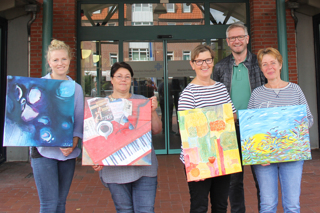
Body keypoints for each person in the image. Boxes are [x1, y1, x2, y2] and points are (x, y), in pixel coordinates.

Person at [248, 47, 313, 212]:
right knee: (267, 205)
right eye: (265, 64)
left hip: (292, 154)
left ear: (280, 65)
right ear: (261, 69)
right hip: (265, 158)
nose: (269, 67)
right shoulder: (256, 94)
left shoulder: (295, 90)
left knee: (292, 205)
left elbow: (309, 119)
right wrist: (258, 154)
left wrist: (293, 130)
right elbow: (251, 127)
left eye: (273, 63)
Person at [92, 62, 162, 213]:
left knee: (146, 210)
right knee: (124, 210)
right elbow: (97, 142)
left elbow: (156, 129)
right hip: (115, 171)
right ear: (111, 79)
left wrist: (153, 111)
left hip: (145, 169)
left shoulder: (141, 100)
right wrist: (96, 159)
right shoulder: (101, 106)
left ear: (132, 80)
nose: (123, 80)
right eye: (119, 76)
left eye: (127, 77)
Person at [213, 22, 265, 213]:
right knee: (234, 181)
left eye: (240, 37)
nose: (237, 41)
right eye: (232, 38)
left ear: (247, 39)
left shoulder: (260, 64)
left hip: (256, 127)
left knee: (262, 176)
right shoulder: (220, 67)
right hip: (230, 128)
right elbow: (215, 98)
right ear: (228, 41)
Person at [178, 44, 237, 213]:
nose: (204, 65)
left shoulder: (220, 88)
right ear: (192, 64)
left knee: (221, 205)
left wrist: (215, 120)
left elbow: (231, 116)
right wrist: (216, 120)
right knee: (199, 206)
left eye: (208, 60)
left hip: (222, 154)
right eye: (199, 61)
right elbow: (187, 131)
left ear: (213, 62)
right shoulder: (188, 94)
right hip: (198, 156)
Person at [30, 39, 84, 212]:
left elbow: (79, 119)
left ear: (69, 60)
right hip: (43, 152)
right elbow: (33, 120)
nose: (60, 63)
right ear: (49, 62)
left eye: (63, 59)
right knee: (49, 204)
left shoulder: (76, 89)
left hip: (67, 153)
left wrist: (74, 142)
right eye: (55, 60)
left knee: (61, 203)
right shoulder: (38, 86)